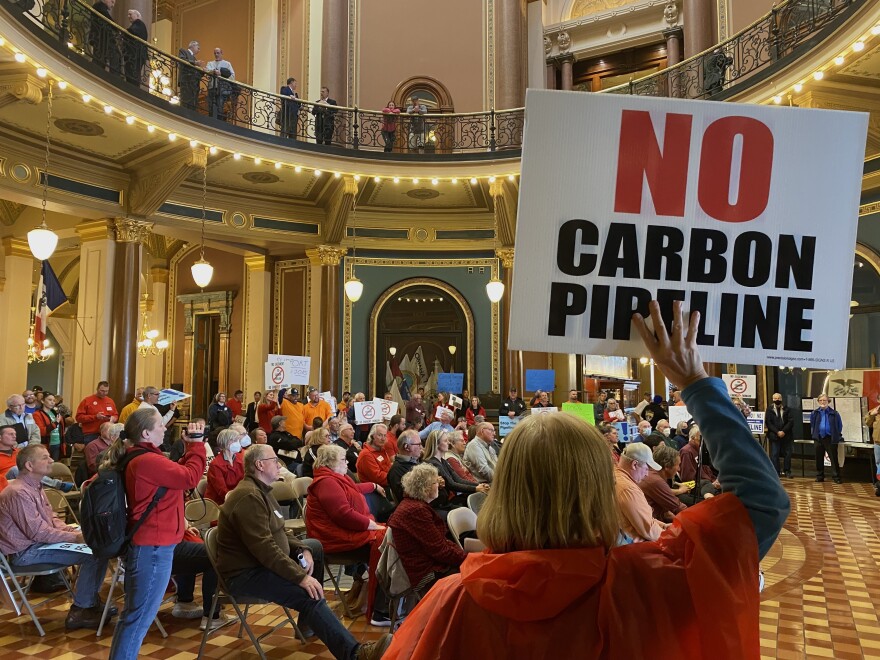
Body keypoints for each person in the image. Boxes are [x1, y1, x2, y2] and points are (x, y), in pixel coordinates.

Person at [384, 300, 789, 658]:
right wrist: (695, 382)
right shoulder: (648, 583)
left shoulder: (451, 604)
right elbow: (763, 500)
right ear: (601, 490)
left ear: (506, 491)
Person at [217, 443, 391, 658]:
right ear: (260, 465)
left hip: (258, 565)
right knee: (310, 594)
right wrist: (301, 577)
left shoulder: (261, 491)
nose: (279, 465)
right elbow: (264, 549)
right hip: (245, 574)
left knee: (314, 546)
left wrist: (302, 547)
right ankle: (355, 654)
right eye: (274, 461)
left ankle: (308, 622)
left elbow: (280, 531)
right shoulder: (248, 497)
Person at [108, 410, 207, 659]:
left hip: (152, 545)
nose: (165, 429)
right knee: (138, 619)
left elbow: (174, 472)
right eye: (160, 426)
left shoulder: (143, 457)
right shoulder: (147, 461)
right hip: (152, 548)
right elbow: (189, 477)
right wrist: (197, 447)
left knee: (134, 617)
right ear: (145, 433)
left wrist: (189, 449)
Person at [0, 444, 112, 630]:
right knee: (95, 554)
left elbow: (51, 519)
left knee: (98, 549)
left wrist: (71, 531)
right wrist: (76, 539)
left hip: (37, 545)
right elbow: (38, 532)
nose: (51, 460)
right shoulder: (18, 492)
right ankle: (82, 610)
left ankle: (89, 603)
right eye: (44, 457)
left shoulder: (35, 486)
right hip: (26, 552)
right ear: (29, 465)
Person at [306, 444, 392, 626]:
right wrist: (370, 524)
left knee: (392, 537)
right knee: (388, 543)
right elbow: (343, 514)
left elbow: (354, 490)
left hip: (347, 531)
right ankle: (380, 609)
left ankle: (384, 603)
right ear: (330, 462)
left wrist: (374, 486)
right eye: (343, 459)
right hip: (335, 538)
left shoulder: (336, 477)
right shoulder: (326, 482)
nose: (347, 462)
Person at [387, 463, 467, 588]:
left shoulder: (415, 505)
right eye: (436, 482)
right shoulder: (415, 510)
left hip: (432, 565)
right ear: (425, 488)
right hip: (427, 574)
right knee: (479, 578)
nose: (440, 486)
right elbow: (440, 551)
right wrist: (469, 559)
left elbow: (440, 545)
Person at [614, 443, 669, 543]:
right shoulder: (629, 489)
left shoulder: (616, 477)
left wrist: (663, 526)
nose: (647, 474)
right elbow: (648, 531)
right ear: (634, 464)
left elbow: (643, 520)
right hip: (635, 546)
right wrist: (671, 536)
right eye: (647, 468)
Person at [424, 430, 488, 503]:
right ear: (437, 444)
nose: (448, 443)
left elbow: (458, 480)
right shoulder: (433, 463)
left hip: (448, 499)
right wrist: (476, 488)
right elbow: (451, 484)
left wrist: (480, 485)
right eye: (445, 441)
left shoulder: (443, 461)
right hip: (442, 503)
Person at [639, 444, 690, 522]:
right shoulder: (656, 481)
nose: (679, 469)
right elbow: (678, 507)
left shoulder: (651, 474)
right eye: (678, 465)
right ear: (667, 466)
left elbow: (667, 512)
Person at [679, 424, 720, 499]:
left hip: (708, 480)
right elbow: (687, 477)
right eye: (700, 440)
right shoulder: (686, 452)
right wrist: (712, 484)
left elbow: (707, 469)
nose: (703, 443)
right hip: (698, 484)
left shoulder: (702, 449)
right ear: (692, 438)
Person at [205, 428, 245, 504]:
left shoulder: (240, 460)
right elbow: (222, 491)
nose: (238, 443)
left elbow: (245, 481)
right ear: (226, 442)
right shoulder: (216, 464)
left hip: (236, 499)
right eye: (235, 440)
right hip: (218, 503)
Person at [811, 393, 843, 483]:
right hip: (818, 438)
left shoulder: (834, 413)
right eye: (820, 400)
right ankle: (820, 476)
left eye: (824, 400)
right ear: (818, 402)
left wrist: (836, 434)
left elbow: (839, 426)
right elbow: (812, 425)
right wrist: (814, 434)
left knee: (833, 458)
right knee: (818, 458)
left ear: (828, 401)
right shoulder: (815, 413)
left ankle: (836, 477)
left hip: (830, 438)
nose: (822, 402)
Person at [387, 430, 423, 505]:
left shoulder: (415, 462)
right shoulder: (396, 471)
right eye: (418, 444)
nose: (421, 448)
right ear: (406, 447)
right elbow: (406, 498)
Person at [356, 423, 394, 489]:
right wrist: (395, 478)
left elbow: (389, 467)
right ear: (372, 436)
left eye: (385, 435)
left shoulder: (382, 449)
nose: (383, 438)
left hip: (387, 483)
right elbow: (378, 478)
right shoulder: (366, 454)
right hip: (376, 490)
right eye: (380, 435)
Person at [766, 392, 794, 479]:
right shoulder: (769, 409)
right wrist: (777, 432)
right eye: (775, 398)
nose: (777, 400)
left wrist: (783, 431)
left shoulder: (787, 409)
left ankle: (787, 471)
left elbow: (791, 421)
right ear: (772, 399)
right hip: (774, 435)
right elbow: (768, 422)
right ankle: (776, 472)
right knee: (774, 454)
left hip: (786, 435)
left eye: (779, 398)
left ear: (781, 399)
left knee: (788, 454)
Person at [89, 0, 120, 75]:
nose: (113, 5)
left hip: (103, 38)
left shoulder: (102, 8)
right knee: (100, 58)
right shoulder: (99, 6)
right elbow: (107, 18)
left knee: (111, 56)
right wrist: (116, 28)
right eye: (112, 2)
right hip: (100, 38)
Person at [205, 47, 236, 120]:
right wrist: (213, 72)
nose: (216, 54)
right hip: (212, 87)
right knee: (210, 106)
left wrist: (221, 74)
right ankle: (211, 121)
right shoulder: (210, 63)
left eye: (218, 53)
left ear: (222, 53)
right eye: (215, 53)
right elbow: (206, 71)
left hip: (222, 89)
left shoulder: (227, 64)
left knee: (220, 106)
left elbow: (232, 76)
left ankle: (219, 121)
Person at [33, 392, 65, 460]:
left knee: (55, 467)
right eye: (50, 400)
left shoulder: (55, 413)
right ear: (42, 401)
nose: (52, 402)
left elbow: (61, 429)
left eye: (54, 400)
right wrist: (56, 423)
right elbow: (41, 431)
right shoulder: (37, 414)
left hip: (58, 443)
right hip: (46, 444)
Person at [123, 9, 148, 86]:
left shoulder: (139, 23)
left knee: (132, 73)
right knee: (132, 73)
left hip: (135, 54)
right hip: (135, 54)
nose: (128, 16)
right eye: (128, 15)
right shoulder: (137, 24)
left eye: (130, 14)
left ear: (137, 16)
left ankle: (133, 88)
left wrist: (124, 32)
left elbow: (133, 32)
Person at [177, 40, 203, 110]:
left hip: (193, 84)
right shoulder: (183, 51)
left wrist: (203, 71)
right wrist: (195, 63)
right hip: (186, 81)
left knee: (192, 104)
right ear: (193, 46)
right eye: (198, 48)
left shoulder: (194, 58)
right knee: (185, 102)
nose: (199, 50)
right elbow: (182, 60)